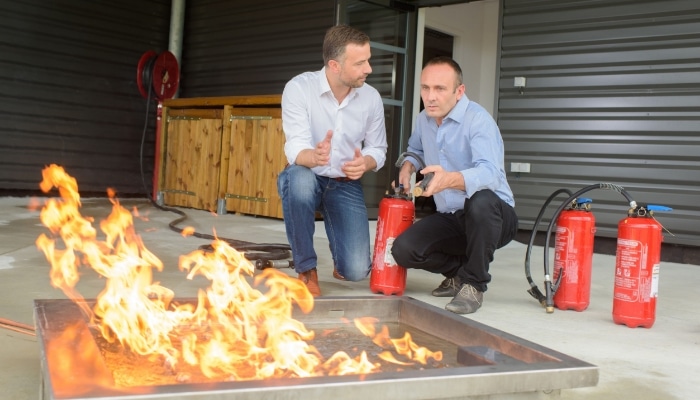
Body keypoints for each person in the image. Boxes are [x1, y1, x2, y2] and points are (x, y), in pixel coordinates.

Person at [391, 56, 518, 314]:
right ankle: (459, 274)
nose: (430, 96)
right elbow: (415, 149)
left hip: (494, 217)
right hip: (452, 216)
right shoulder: (423, 119)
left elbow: (491, 174)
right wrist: (408, 166)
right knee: (404, 250)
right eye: (425, 88)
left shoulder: (478, 121)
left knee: (480, 199)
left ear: (459, 92)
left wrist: (451, 178)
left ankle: (474, 284)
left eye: (440, 89)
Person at [277, 25, 387, 297]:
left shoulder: (371, 98)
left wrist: (367, 163)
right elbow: (295, 148)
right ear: (335, 65)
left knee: (357, 271)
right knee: (299, 180)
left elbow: (378, 148)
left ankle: (342, 256)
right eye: (360, 63)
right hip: (307, 175)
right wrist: (313, 157)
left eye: (368, 60)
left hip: (343, 183)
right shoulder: (299, 88)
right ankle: (306, 269)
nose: (369, 69)